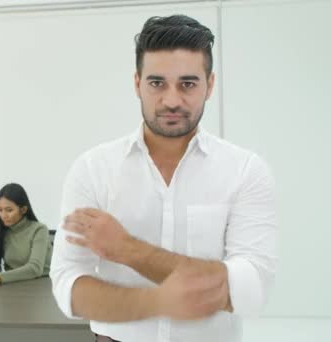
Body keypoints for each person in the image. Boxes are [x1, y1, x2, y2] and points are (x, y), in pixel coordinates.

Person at [50, 14, 277, 342]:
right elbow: (68, 285)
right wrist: (156, 301)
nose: (172, 100)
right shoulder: (92, 169)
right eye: (157, 83)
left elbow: (250, 289)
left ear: (209, 85)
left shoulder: (245, 171)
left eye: (188, 83)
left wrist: (127, 249)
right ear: (137, 83)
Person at [0, 183, 53, 288]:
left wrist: (0, 277)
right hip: (15, 286)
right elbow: (9, 269)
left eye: (9, 210)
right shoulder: (5, 231)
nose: (3, 215)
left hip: (41, 287)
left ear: (23, 210)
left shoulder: (39, 230)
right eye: (0, 210)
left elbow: (35, 268)